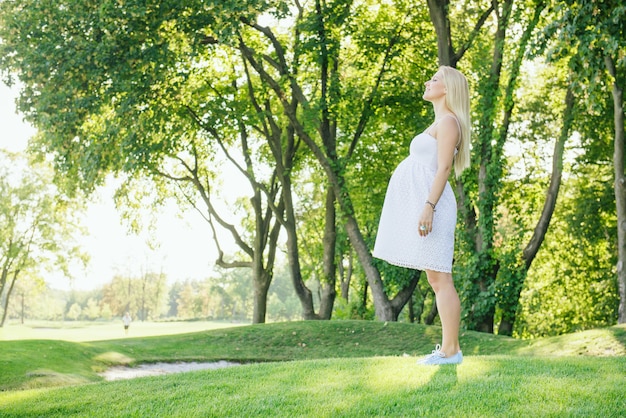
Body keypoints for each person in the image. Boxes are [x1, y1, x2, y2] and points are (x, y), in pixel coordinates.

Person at [373, 66, 471, 365]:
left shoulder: (450, 122)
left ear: (448, 88)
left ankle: (451, 351)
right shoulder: (440, 121)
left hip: (435, 205)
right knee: (436, 278)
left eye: (435, 79)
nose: (428, 82)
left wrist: (428, 206)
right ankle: (448, 349)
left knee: (441, 278)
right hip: (429, 204)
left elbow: (442, 169)